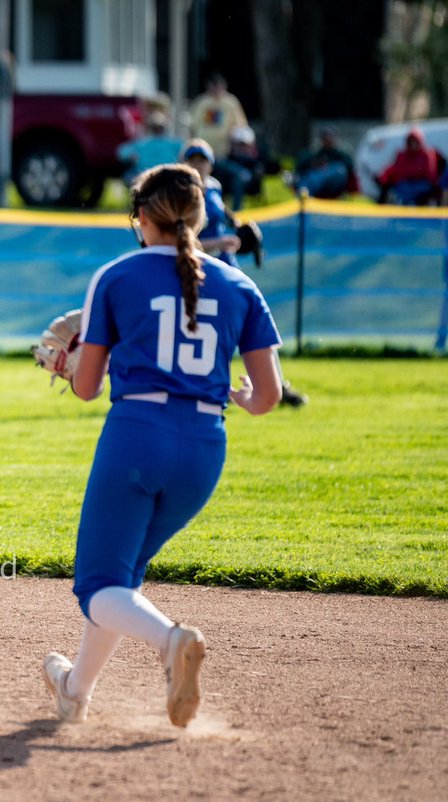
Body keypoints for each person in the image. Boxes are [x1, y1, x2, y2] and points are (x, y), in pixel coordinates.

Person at [40, 163, 284, 728]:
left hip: (137, 437)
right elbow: (268, 394)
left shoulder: (117, 276)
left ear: (141, 218)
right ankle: (75, 692)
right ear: (199, 218)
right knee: (121, 578)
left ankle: (173, 640)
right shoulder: (239, 284)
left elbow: (87, 388)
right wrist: (244, 400)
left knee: (98, 585)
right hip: (204, 449)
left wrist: (67, 361)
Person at [184, 138, 308, 407]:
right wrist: (218, 243)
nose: (197, 164)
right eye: (192, 159)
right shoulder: (183, 194)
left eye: (202, 159)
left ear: (210, 163)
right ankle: (199, 388)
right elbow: (179, 241)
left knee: (256, 322)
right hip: (197, 272)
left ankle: (276, 385)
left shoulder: (214, 188)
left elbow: (225, 215)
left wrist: (240, 225)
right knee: (201, 330)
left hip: (227, 267)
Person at [188, 74, 248, 161]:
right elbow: (193, 124)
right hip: (203, 145)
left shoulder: (231, 102)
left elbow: (240, 124)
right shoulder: (201, 102)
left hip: (223, 148)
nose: (216, 89)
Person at [116, 111, 184, 186]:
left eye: (159, 127)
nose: (158, 129)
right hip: (148, 177)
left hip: (162, 177)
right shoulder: (142, 143)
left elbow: (122, 152)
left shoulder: (173, 143)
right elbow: (122, 153)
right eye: (156, 127)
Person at [376, 126, 440, 206]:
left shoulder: (427, 154)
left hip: (421, 184)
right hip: (405, 184)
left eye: (415, 142)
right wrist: (383, 176)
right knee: (401, 188)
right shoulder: (402, 155)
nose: (413, 145)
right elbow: (395, 169)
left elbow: (430, 174)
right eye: (411, 142)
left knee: (419, 188)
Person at [292, 126, 355, 200]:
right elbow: (300, 164)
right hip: (315, 183)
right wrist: (315, 164)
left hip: (333, 185)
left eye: (330, 137)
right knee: (309, 176)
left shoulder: (340, 154)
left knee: (338, 169)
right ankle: (304, 192)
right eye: (325, 137)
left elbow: (349, 167)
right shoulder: (315, 152)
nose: (328, 140)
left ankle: (305, 192)